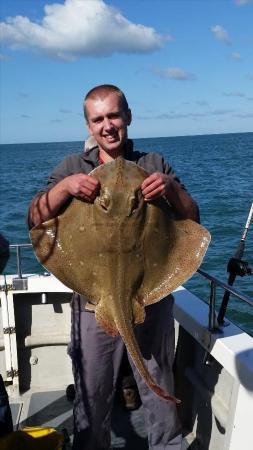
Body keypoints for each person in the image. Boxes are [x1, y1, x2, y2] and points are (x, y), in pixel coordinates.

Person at [29, 84, 199, 450]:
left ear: (128, 117)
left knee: (158, 380)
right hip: (94, 300)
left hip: (149, 295)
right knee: (93, 389)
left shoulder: (154, 164)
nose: (107, 125)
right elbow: (36, 220)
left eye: (114, 116)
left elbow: (192, 221)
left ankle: (167, 444)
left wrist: (170, 187)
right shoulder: (73, 168)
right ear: (89, 126)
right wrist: (65, 189)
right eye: (98, 119)